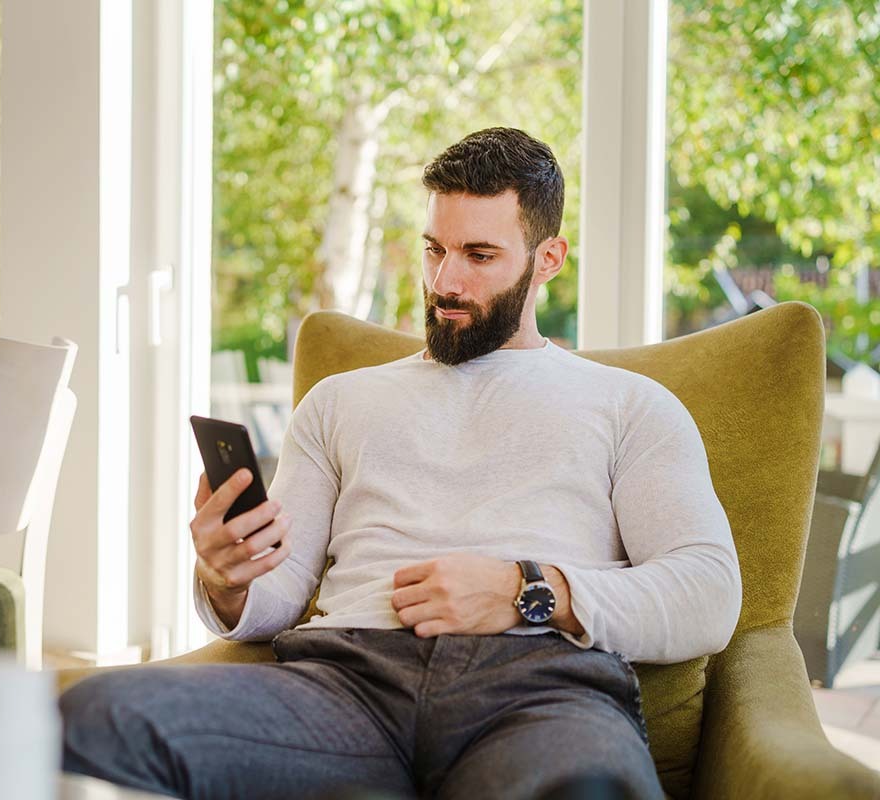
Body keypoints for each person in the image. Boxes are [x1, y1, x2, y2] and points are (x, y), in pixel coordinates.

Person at [59, 127, 742, 800]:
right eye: (434, 250)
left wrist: (525, 590)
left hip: (538, 694)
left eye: (479, 255)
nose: (445, 282)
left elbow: (708, 592)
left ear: (548, 258)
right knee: (94, 716)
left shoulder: (630, 407)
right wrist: (225, 576)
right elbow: (279, 594)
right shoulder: (339, 402)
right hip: (343, 686)